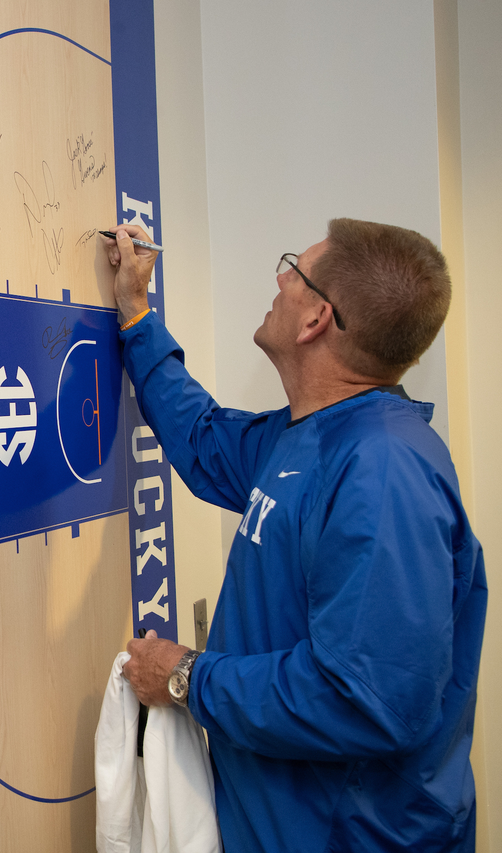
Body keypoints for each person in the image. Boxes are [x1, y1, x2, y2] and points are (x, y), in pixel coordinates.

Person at [104, 218, 486, 851]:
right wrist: (136, 314)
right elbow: (202, 439)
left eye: (294, 270)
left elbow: (362, 700)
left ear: (316, 319)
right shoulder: (311, 434)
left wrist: (185, 675)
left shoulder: (384, 473)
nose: (280, 280)